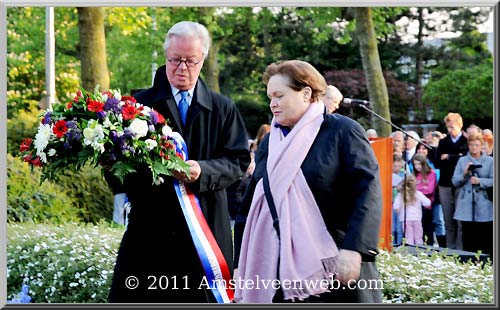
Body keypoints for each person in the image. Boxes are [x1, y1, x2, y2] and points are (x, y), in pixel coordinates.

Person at [107, 21, 251, 303]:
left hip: (205, 230)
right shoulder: (137, 105)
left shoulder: (223, 107)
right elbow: (119, 173)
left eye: (190, 61)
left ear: (203, 59)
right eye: (175, 60)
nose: (181, 68)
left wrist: (202, 171)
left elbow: (238, 161)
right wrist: (109, 162)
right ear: (165, 57)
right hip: (150, 231)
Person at [234, 60, 383, 303]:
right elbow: (249, 209)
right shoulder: (270, 144)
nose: (273, 103)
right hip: (280, 273)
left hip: (337, 264)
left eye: (280, 95)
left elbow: (368, 192)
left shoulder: (343, 131)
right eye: (270, 96)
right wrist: (241, 262)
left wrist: (355, 249)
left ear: (306, 93)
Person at [452, 133, 493, 257]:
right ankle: (469, 261)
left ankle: (486, 261)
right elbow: (454, 181)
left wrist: (481, 181)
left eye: (476, 145)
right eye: (471, 145)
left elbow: (494, 179)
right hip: (466, 203)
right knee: (468, 235)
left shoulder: (490, 161)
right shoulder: (462, 160)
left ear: (481, 146)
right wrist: (464, 174)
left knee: (484, 235)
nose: (474, 148)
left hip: (484, 203)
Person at [434, 112, 468, 250]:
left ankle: (461, 249)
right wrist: (455, 157)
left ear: (459, 126)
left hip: (461, 184)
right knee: (448, 220)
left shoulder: (465, 142)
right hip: (445, 183)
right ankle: (450, 249)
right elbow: (437, 161)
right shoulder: (443, 142)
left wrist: (449, 157)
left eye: (452, 127)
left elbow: (464, 159)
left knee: (460, 220)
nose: (450, 130)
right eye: (448, 127)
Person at [393, 173, 432, 246]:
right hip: (417, 218)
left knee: (408, 238)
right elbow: (427, 203)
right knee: (418, 237)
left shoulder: (401, 195)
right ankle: (419, 252)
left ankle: (410, 254)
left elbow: (395, 207)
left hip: (405, 219)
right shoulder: (418, 194)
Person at [411, 154, 438, 246]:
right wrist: (421, 188)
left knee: (428, 226)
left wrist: (418, 190)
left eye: (419, 164)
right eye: (415, 164)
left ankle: (429, 244)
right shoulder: (414, 175)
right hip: (415, 205)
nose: (417, 167)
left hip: (427, 205)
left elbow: (429, 189)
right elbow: (411, 188)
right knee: (419, 227)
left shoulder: (432, 173)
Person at [391, 153, 405, 246]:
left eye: (398, 166)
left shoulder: (404, 174)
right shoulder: (388, 174)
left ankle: (400, 243)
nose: (396, 168)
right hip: (391, 202)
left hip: (400, 203)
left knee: (399, 225)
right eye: (394, 166)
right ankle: (391, 243)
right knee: (392, 226)